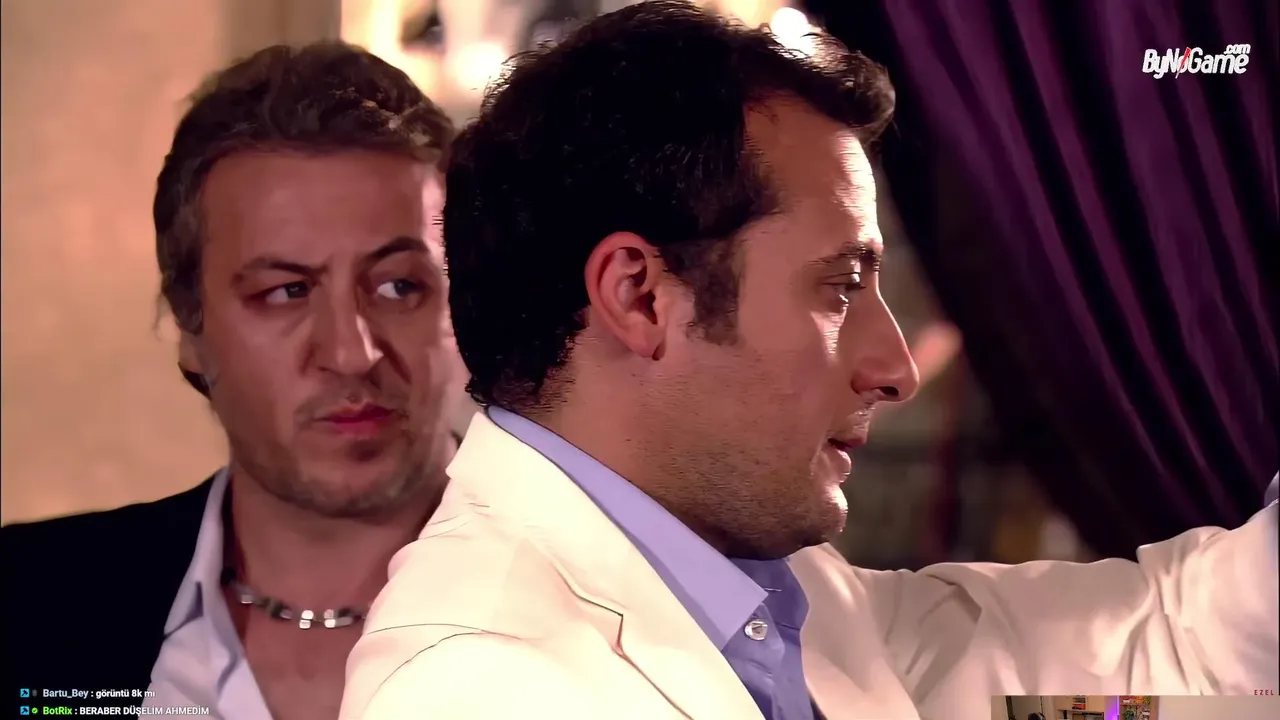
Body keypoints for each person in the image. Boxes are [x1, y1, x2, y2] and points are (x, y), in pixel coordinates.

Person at [341, 3, 1279, 720]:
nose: (896, 367)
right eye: (839, 288)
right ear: (640, 296)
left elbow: (1168, 658)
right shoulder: (479, 685)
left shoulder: (782, 605)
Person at [2, 41, 460, 720]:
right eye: (285, 291)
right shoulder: (27, 605)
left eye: (399, 286)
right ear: (190, 327)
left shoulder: (604, 613)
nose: (351, 353)